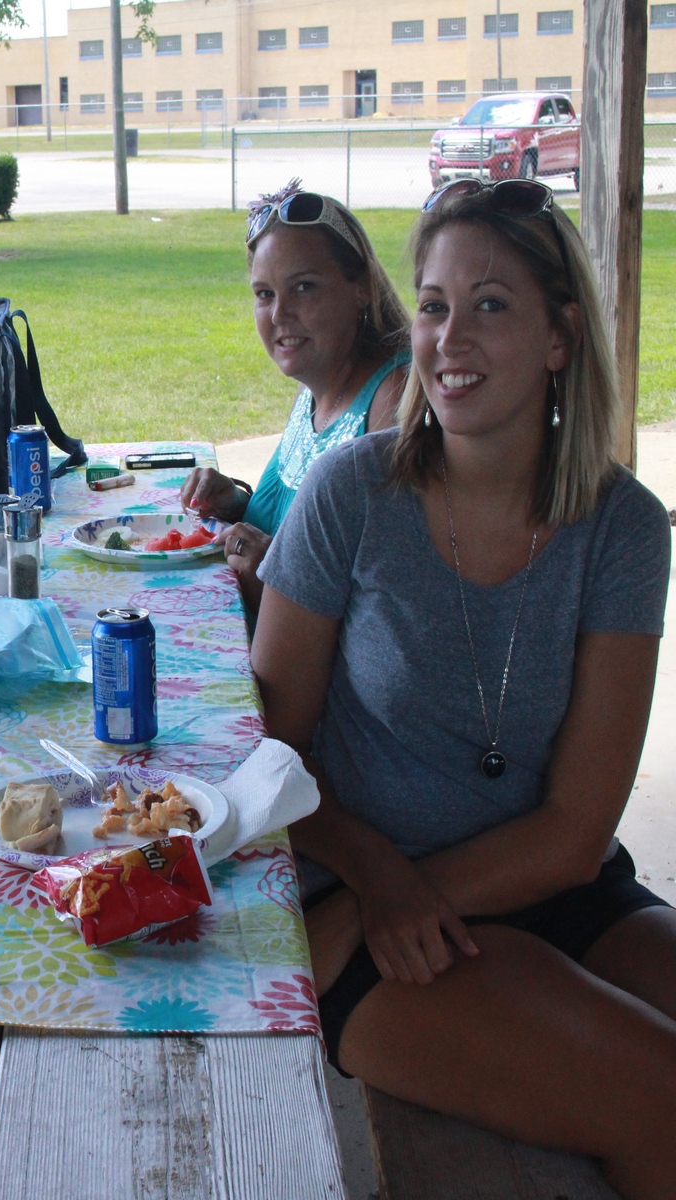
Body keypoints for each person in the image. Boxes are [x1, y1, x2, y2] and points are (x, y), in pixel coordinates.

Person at [252, 179, 676, 1196]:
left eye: (489, 305)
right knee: (661, 1098)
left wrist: (417, 891)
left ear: (560, 336)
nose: (449, 339)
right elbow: (270, 753)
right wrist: (374, 881)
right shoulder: (351, 493)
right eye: (435, 305)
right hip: (359, 899)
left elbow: (574, 829)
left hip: (548, 883)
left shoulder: (622, 528)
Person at [179, 182, 410, 619]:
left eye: (303, 287)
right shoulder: (313, 388)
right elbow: (301, 531)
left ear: (361, 287)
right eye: (264, 294)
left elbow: (382, 610)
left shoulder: (392, 399)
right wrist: (236, 506)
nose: (279, 313)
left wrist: (275, 574)